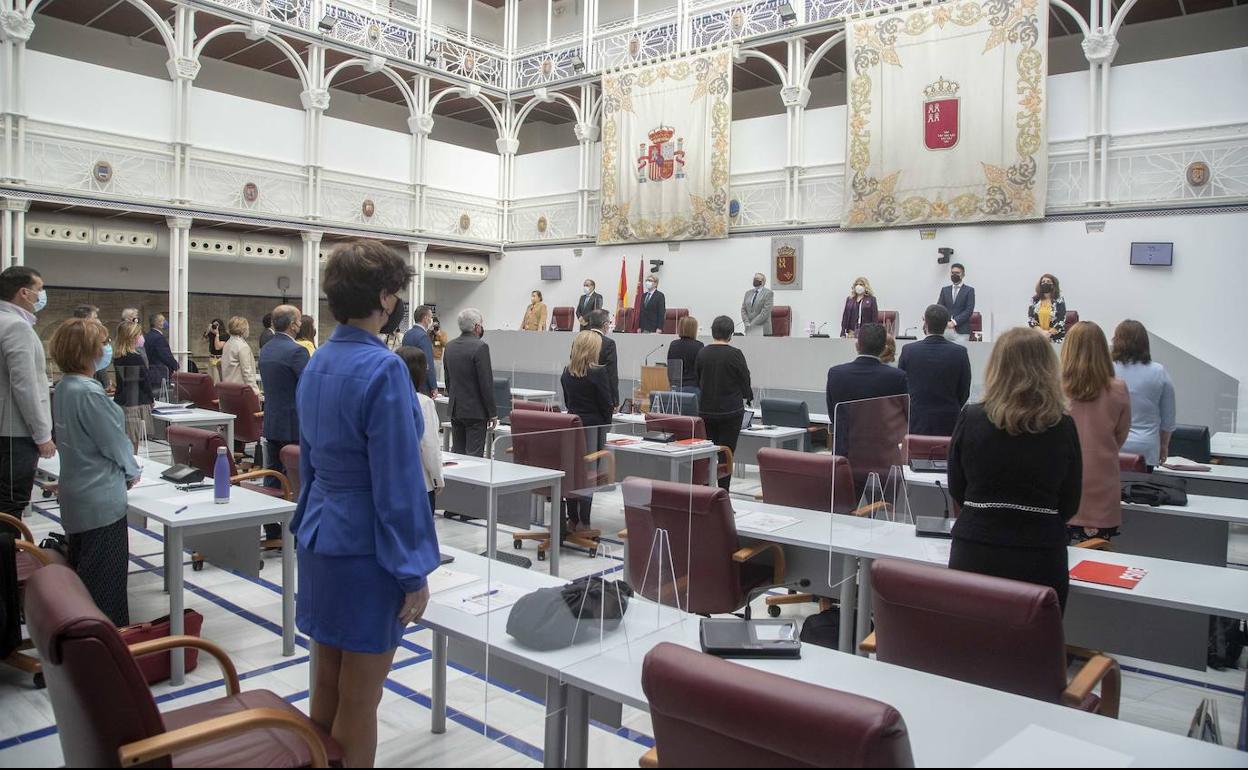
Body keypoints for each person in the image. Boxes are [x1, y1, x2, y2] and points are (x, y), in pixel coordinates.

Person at [291, 239, 438, 769]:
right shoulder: (385, 369)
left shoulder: (318, 360)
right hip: (366, 548)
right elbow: (398, 482)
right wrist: (413, 568)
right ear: (385, 296)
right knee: (362, 698)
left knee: (327, 685)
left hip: (319, 535)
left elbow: (306, 460)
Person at [947, 327, 1082, 612]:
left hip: (975, 547)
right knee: (1031, 648)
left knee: (969, 643)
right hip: (1040, 553)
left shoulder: (971, 418)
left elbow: (957, 488)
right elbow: (1070, 501)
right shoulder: (1062, 425)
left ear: (996, 368)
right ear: (1048, 369)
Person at [49, 318, 140, 626]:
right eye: (101, 343)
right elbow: (114, 443)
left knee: (85, 575)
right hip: (102, 501)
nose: (106, 349)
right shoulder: (89, 392)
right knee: (105, 585)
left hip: (77, 494)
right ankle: (107, 651)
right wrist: (131, 470)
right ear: (86, 351)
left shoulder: (64, 387)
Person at [1062, 321, 1131, 543]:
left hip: (1060, 486)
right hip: (1102, 487)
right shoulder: (1118, 388)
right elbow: (1121, 435)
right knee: (1097, 567)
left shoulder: (1054, 388)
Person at [0, 267, 54, 520]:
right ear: (24, 292)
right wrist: (42, 434)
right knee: (11, 505)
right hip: (15, 432)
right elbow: (25, 384)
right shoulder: (16, 327)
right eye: (39, 289)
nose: (41, 295)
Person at [257, 305, 310, 541]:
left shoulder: (267, 349)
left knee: (272, 474)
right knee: (299, 478)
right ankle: (300, 529)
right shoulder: (297, 352)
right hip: (295, 424)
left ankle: (271, 527)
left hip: (273, 421)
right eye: (298, 320)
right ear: (292, 324)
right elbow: (311, 386)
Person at [561, 331, 614, 529]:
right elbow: (606, 403)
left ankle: (572, 518)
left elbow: (568, 401)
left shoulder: (567, 371)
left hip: (572, 426)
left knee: (573, 472)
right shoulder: (598, 372)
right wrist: (606, 424)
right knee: (589, 475)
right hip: (594, 428)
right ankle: (585, 520)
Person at [696, 316, 753, 491]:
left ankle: (706, 490)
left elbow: (699, 378)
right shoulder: (735, 354)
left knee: (707, 453)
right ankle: (723, 493)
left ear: (713, 331)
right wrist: (747, 396)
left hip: (706, 409)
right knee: (727, 454)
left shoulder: (702, 352)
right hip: (731, 411)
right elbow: (745, 379)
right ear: (731, 334)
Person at [897, 305, 972, 436]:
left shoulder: (909, 350)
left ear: (925, 323)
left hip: (916, 418)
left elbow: (901, 388)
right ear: (946, 325)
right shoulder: (960, 353)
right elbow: (964, 390)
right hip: (949, 419)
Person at [1112, 319, 1176, 468]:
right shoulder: (1159, 371)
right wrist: (1164, 446)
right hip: (1146, 448)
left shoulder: (1107, 369)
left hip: (1112, 446)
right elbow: (1168, 419)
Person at [396, 347, 444, 517]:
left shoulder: (386, 398)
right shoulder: (423, 403)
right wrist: (437, 478)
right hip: (419, 483)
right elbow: (429, 446)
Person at [442, 308, 496, 457]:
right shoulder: (481, 347)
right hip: (476, 411)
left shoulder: (449, 346)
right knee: (474, 456)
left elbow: (448, 379)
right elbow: (485, 383)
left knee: (457, 454)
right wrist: (492, 413)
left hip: (455, 408)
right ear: (477, 327)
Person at [825, 323, 909, 416]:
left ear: (857, 346)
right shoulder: (897, 377)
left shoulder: (835, 374)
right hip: (882, 430)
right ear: (884, 349)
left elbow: (833, 415)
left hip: (846, 430)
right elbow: (903, 415)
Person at [113, 320, 154, 452]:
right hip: (135, 403)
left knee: (125, 438)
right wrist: (151, 399)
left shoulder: (118, 356)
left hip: (122, 401)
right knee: (133, 440)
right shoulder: (135, 357)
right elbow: (143, 381)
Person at [399, 305, 439, 397]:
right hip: (422, 385)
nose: (431, 320)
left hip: (408, 382)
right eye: (431, 317)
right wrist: (433, 386)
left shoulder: (407, 334)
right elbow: (428, 364)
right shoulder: (423, 337)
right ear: (425, 318)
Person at [584, 309, 619, 409]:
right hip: (600, 396)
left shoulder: (579, 339)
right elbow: (611, 373)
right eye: (609, 323)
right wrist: (614, 401)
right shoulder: (609, 343)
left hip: (579, 394)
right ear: (605, 325)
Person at [72, 305, 110, 389]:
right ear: (85, 320)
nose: (99, 321)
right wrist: (106, 383)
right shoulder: (82, 341)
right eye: (95, 318)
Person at [937, 263, 976, 339]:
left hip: (962, 331)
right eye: (952, 273)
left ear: (963, 275)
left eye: (957, 273)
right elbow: (940, 308)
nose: (954, 275)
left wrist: (954, 322)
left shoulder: (969, 290)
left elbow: (969, 310)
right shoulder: (945, 290)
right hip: (945, 329)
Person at [666, 315, 702, 396]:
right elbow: (701, 369)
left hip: (676, 387)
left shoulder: (673, 345)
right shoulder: (699, 346)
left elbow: (671, 369)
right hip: (693, 388)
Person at [220, 316, 259, 390]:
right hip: (240, 389)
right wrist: (255, 390)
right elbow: (246, 371)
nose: (248, 331)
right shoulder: (242, 346)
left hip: (228, 387)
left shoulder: (227, 344)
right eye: (247, 328)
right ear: (243, 330)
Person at [1027, 273, 1067, 342]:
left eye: (1048, 281)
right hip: (1038, 336)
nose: (1045, 283)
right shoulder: (1034, 300)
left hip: (1056, 337)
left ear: (1053, 285)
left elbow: (1061, 320)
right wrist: (1042, 333)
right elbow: (1031, 319)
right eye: (1043, 282)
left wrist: (1049, 334)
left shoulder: (1059, 300)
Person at [144, 313, 179, 387]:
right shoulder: (159, 338)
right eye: (162, 320)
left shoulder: (147, 336)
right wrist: (175, 365)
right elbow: (165, 355)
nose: (165, 322)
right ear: (156, 323)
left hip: (150, 372)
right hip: (160, 373)